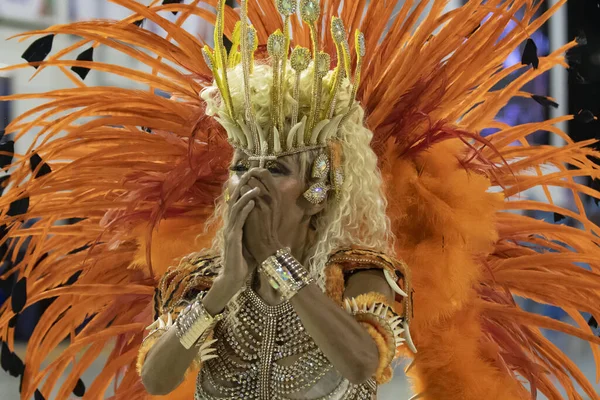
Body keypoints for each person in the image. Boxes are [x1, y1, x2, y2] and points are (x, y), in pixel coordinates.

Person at [0, 0, 599, 399]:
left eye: (277, 167)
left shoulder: (365, 274)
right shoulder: (197, 280)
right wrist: (228, 284)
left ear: (319, 186)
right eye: (246, 165)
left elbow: (364, 362)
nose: (254, 180)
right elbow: (157, 380)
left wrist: (279, 268)